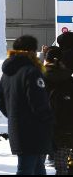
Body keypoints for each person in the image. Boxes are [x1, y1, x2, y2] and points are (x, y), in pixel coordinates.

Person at [0, 35, 54, 175]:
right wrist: (50, 119)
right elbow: (38, 102)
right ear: (32, 51)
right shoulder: (32, 72)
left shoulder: (7, 73)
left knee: (34, 168)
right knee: (30, 168)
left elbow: (1, 101)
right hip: (35, 130)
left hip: (18, 129)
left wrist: (14, 116)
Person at [44, 47, 73, 175]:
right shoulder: (69, 79)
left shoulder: (40, 79)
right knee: (66, 166)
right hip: (67, 128)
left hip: (46, 127)